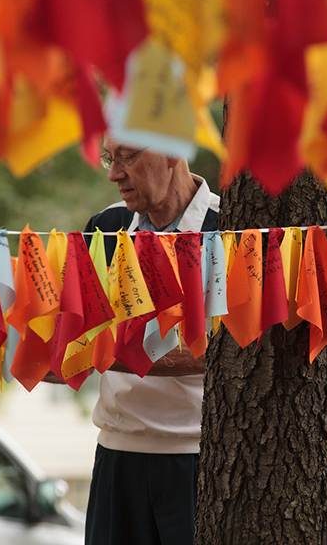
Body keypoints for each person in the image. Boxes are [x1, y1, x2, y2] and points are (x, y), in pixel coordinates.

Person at [80, 138, 219, 545]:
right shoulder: (106, 227)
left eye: (127, 156)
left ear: (174, 150)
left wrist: (100, 349)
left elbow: (222, 352)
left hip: (199, 461)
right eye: (109, 157)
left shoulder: (228, 229)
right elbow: (68, 355)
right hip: (117, 458)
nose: (113, 174)